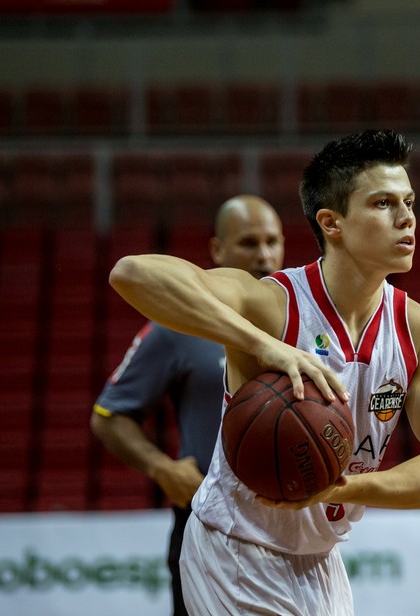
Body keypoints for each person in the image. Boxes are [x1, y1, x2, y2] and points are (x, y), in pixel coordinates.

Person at [108, 129, 420, 615]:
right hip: (235, 544)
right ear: (332, 223)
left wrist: (346, 486)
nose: (406, 218)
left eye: (409, 202)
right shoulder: (272, 304)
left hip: (320, 557)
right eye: (383, 204)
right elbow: (131, 274)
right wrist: (261, 345)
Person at [90, 194, 285, 616]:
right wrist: (161, 467)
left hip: (289, 526)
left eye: (273, 241)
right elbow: (108, 415)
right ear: (217, 251)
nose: (265, 255)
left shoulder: (302, 323)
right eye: (249, 243)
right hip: (207, 520)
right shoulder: (178, 324)